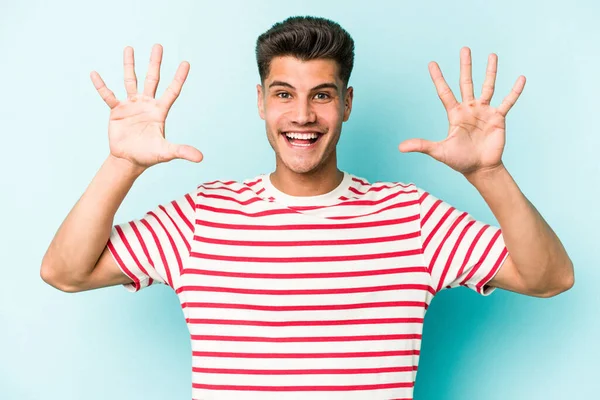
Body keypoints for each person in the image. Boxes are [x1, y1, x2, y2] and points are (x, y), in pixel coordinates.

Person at [41, 16, 574, 400]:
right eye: (283, 93)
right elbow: (65, 272)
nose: (302, 114)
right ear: (260, 102)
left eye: (322, 95)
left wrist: (487, 173)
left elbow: (549, 277)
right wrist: (122, 164)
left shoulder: (411, 217)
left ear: (346, 103)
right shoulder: (202, 217)